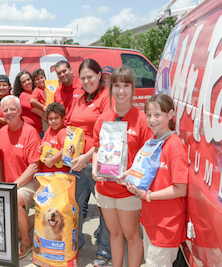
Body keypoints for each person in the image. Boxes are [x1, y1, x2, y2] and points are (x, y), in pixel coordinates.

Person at [91, 66, 153, 267]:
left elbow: (148, 158)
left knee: (132, 235)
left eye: (126, 85)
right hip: (105, 189)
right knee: (115, 233)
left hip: (128, 191)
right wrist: (94, 169)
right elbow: (96, 149)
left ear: (133, 89)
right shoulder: (102, 119)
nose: (121, 91)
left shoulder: (142, 120)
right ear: (111, 88)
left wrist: (130, 173)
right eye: (117, 85)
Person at [126, 94, 188, 267]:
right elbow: (147, 171)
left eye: (157, 115)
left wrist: (147, 195)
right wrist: (129, 174)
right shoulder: (154, 140)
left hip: (165, 226)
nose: (152, 120)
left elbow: (180, 189)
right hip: (150, 220)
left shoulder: (175, 146)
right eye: (149, 115)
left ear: (170, 114)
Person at [66, 59, 112, 267]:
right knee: (73, 206)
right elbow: (74, 124)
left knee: (104, 208)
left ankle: (104, 250)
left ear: (99, 75)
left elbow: (108, 136)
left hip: (97, 163)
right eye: (82, 78)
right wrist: (69, 132)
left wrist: (86, 158)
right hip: (77, 164)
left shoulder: (106, 98)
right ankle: (77, 242)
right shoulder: (81, 98)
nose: (86, 81)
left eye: (90, 77)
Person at [0, 95, 41, 259]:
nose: (8, 113)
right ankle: (36, 219)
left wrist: (14, 185)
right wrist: (1, 184)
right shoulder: (1, 132)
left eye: (12, 109)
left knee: (13, 199)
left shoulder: (30, 132)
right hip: (10, 184)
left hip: (30, 181)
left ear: (20, 110)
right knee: (11, 227)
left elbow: (34, 166)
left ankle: (27, 241)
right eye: (5, 110)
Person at [38, 102, 69, 173]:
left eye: (56, 118)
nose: (53, 121)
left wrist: (51, 161)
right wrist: (44, 144)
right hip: (48, 173)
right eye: (50, 119)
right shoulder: (50, 129)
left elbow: (65, 149)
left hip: (60, 174)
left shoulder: (63, 132)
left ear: (63, 118)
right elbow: (43, 141)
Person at [13, 71, 44, 136]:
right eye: (24, 82)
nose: (27, 83)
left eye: (28, 79)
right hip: (34, 132)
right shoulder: (24, 96)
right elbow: (42, 114)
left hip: (39, 131)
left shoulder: (36, 93)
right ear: (21, 85)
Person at [54, 60, 83, 126]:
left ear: (71, 70)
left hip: (80, 128)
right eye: (59, 73)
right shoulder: (58, 92)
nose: (62, 75)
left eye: (64, 71)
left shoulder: (83, 86)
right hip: (64, 128)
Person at [30, 69, 48, 133]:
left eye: (41, 77)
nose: (40, 80)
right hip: (46, 115)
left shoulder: (50, 86)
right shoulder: (37, 90)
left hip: (55, 112)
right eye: (37, 79)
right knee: (47, 131)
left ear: (45, 77)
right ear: (34, 82)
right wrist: (43, 107)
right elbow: (32, 100)